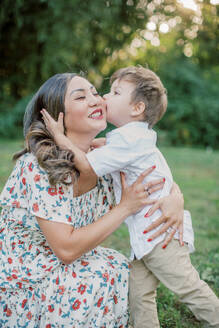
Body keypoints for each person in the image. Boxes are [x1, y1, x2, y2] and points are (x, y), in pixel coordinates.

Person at [0, 73, 184, 328]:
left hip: (65, 262)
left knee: (119, 267)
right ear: (56, 114)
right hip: (26, 275)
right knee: (90, 279)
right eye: (80, 96)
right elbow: (65, 250)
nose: (95, 100)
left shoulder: (105, 162)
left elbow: (155, 173)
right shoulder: (38, 166)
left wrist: (176, 197)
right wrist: (126, 207)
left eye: (96, 93)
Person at [43, 66, 219, 328]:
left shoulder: (130, 140)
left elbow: (88, 166)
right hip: (147, 238)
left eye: (115, 92)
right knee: (139, 294)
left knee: (187, 287)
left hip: (162, 237)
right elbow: (112, 150)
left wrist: (59, 137)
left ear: (136, 108)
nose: (104, 96)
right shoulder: (131, 139)